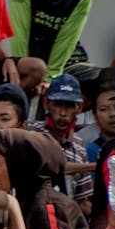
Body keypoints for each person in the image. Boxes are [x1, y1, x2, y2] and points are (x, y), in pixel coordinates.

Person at [27, 73, 94, 216]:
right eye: (57, 105)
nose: (63, 113)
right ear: (46, 104)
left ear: (79, 107)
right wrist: (95, 166)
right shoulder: (31, 133)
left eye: (69, 106)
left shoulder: (79, 145)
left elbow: (82, 201)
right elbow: (52, 167)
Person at [10, 0, 92, 82]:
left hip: (66, 61)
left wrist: (50, 78)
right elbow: (20, 32)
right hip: (33, 60)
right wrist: (22, 68)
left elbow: (68, 38)